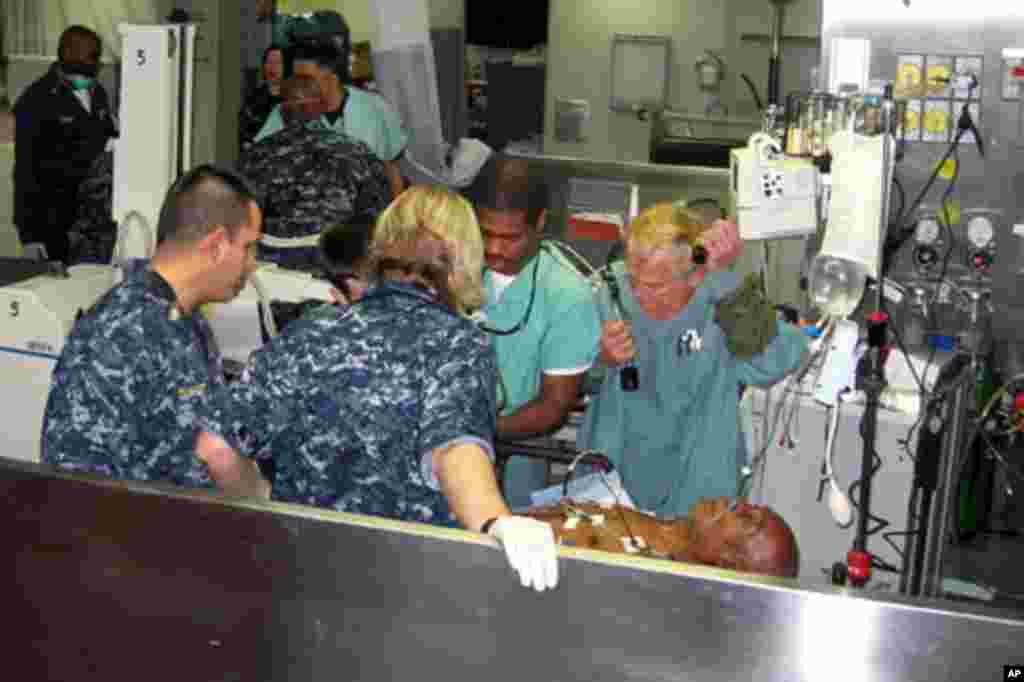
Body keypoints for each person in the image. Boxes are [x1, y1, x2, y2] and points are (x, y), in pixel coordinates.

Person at [196, 185, 558, 591]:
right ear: (463, 259)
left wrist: (264, 502)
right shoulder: (456, 343)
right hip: (405, 591)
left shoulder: (310, 331)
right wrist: (497, 521)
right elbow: (455, 449)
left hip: (295, 580)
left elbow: (216, 445)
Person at [41, 165, 266, 497]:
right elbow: (73, 487)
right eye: (248, 247)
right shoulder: (117, 333)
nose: (252, 264)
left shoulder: (184, 318)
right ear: (216, 245)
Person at [579, 202, 808, 517]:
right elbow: (569, 383)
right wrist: (601, 359)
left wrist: (726, 281)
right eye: (634, 281)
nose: (640, 296)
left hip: (699, 491)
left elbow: (776, 361)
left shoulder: (722, 303)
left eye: (656, 286)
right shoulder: (608, 293)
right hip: (613, 486)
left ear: (695, 275)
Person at [461, 157, 600, 508]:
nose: (494, 250)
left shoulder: (567, 293)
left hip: (515, 459)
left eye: (510, 238)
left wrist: (474, 431)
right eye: (486, 234)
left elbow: (554, 406)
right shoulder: (452, 265)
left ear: (539, 223)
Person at [238, 73, 392, 273]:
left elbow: (239, 218)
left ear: (282, 111)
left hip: (270, 274)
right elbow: (380, 217)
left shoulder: (254, 157)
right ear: (322, 107)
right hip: (339, 268)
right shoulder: (357, 152)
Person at [13, 25, 117, 264]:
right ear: (68, 52)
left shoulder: (96, 92)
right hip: (55, 224)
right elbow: (25, 173)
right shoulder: (37, 100)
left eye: (97, 56)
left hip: (95, 221)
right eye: (92, 56)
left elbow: (107, 139)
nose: (97, 63)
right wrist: (29, 236)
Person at [254, 40, 407, 197]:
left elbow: (391, 167)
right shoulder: (286, 110)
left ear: (332, 79)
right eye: (295, 79)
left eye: (306, 79)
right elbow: (259, 161)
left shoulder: (374, 107)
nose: (297, 86)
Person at [523, 496, 800, 578]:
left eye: (748, 520)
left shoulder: (628, 568)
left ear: (728, 564)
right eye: (752, 508)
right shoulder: (661, 531)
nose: (739, 504)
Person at [239, 45, 286, 152]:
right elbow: (244, 133)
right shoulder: (254, 99)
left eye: (277, 62)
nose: (272, 67)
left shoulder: (293, 98)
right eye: (269, 62)